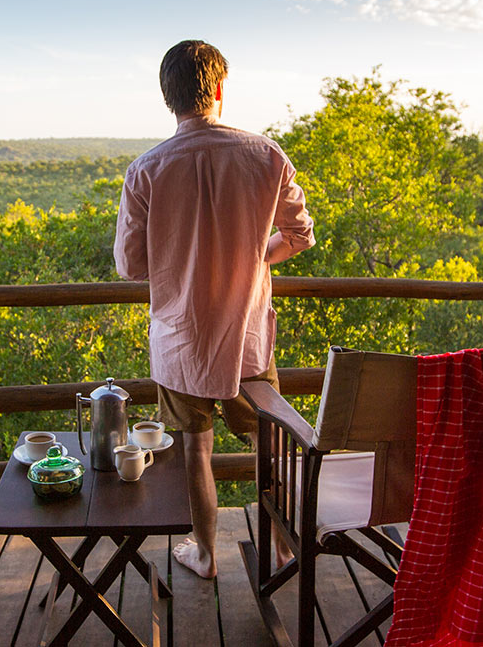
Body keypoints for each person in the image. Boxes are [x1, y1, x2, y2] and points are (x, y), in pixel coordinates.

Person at [114, 39, 314, 579]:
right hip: (247, 333)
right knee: (264, 443)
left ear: (167, 98)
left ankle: (204, 556)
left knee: (195, 450)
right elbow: (300, 234)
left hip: (181, 340)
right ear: (220, 89)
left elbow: (132, 266)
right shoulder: (268, 155)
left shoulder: (146, 170)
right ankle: (281, 546)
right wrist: (255, 260)